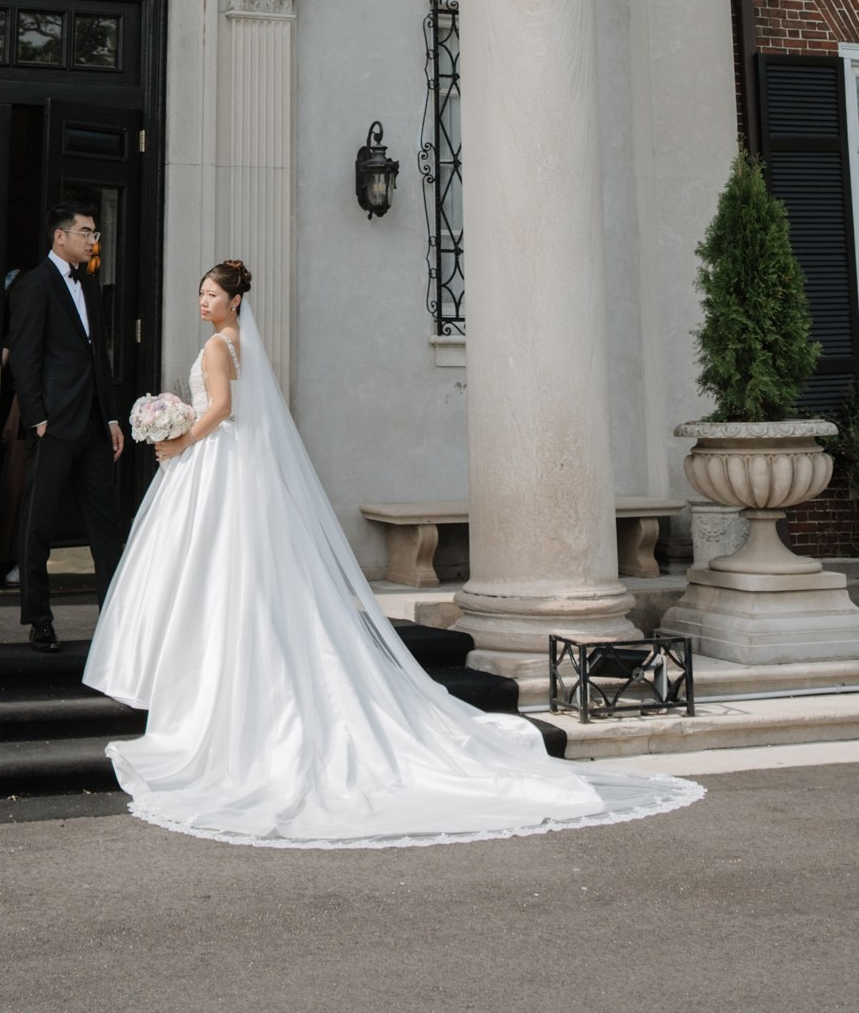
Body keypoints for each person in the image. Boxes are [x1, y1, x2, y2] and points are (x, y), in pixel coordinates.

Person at [83, 259, 702, 848]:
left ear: (235, 300)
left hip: (217, 461)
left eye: (212, 294)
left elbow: (220, 409)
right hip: (235, 466)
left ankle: (202, 687)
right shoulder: (242, 345)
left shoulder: (220, 346)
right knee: (233, 576)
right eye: (201, 294)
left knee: (216, 575)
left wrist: (179, 439)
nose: (203, 301)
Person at [5, 204, 124, 654]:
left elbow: (100, 357)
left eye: (94, 233)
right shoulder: (33, 285)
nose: (94, 240)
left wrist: (111, 417)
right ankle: (39, 619)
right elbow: (25, 356)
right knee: (39, 524)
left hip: (94, 426)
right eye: (86, 232)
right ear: (60, 237)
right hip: (53, 427)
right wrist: (38, 420)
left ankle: (117, 618)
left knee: (106, 527)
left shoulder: (90, 285)